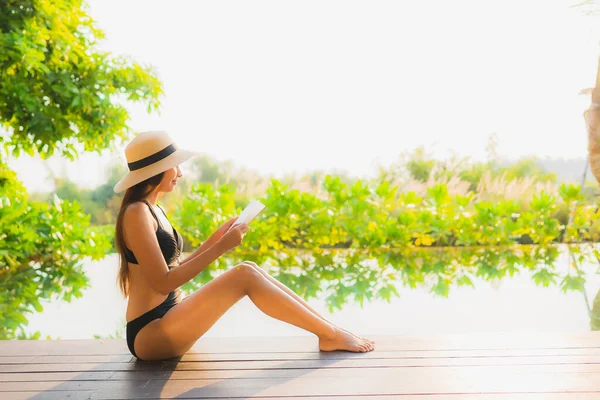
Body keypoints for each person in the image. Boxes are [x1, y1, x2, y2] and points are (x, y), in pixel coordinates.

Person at [113, 131, 375, 361]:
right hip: (151, 332)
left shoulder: (153, 209)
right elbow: (163, 282)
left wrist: (215, 239)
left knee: (249, 268)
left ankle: (331, 331)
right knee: (244, 275)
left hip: (170, 317)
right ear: (156, 169)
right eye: (175, 166)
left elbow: (173, 267)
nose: (180, 173)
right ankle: (330, 334)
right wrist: (222, 247)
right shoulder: (136, 213)